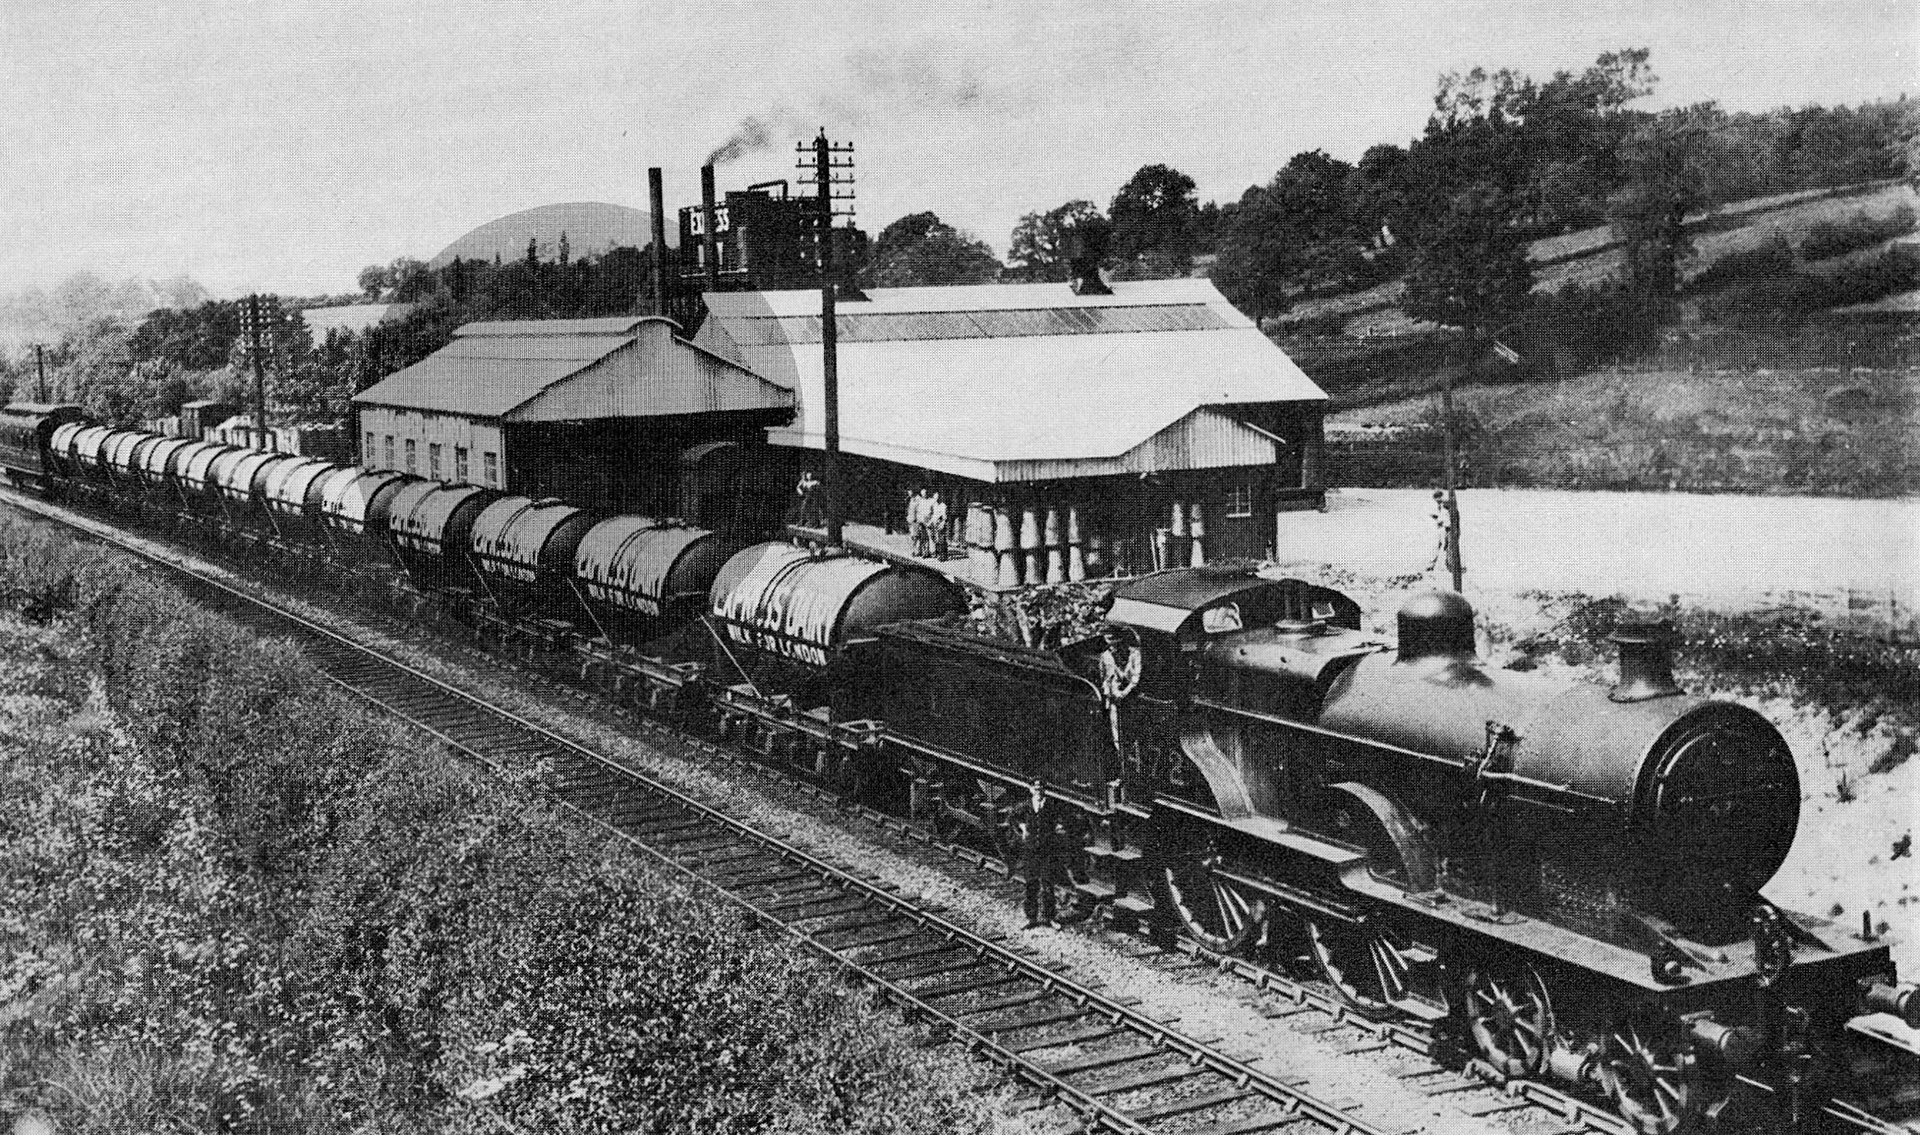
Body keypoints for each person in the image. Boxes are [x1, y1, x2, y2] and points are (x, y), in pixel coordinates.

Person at [1012, 780, 1070, 928]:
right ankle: (1031, 918)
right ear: (1031, 790)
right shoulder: (1025, 805)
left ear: (1044, 790)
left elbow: (1060, 822)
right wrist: (1023, 828)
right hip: (1030, 851)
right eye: (1036, 789)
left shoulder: (1051, 806)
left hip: (1047, 851)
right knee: (1031, 884)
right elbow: (1013, 817)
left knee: (1048, 885)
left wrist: (1057, 832)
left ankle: (1049, 918)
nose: (1038, 792)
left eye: (1041, 789)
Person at [908, 486, 935, 557]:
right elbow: (915, 511)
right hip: (918, 521)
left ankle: (929, 552)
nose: (924, 495)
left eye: (925, 493)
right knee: (917, 537)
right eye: (922, 494)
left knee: (928, 537)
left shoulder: (927, 500)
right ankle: (918, 552)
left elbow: (932, 511)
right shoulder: (916, 500)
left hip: (926, 521)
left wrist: (930, 519)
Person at [928, 491, 950, 559]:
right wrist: (930, 523)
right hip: (935, 524)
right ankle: (938, 554)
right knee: (936, 539)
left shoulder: (943, 505)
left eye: (938, 497)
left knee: (942, 540)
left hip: (941, 524)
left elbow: (944, 517)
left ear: (940, 497)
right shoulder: (934, 505)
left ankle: (943, 556)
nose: (936, 499)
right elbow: (933, 515)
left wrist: (942, 524)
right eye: (935, 497)